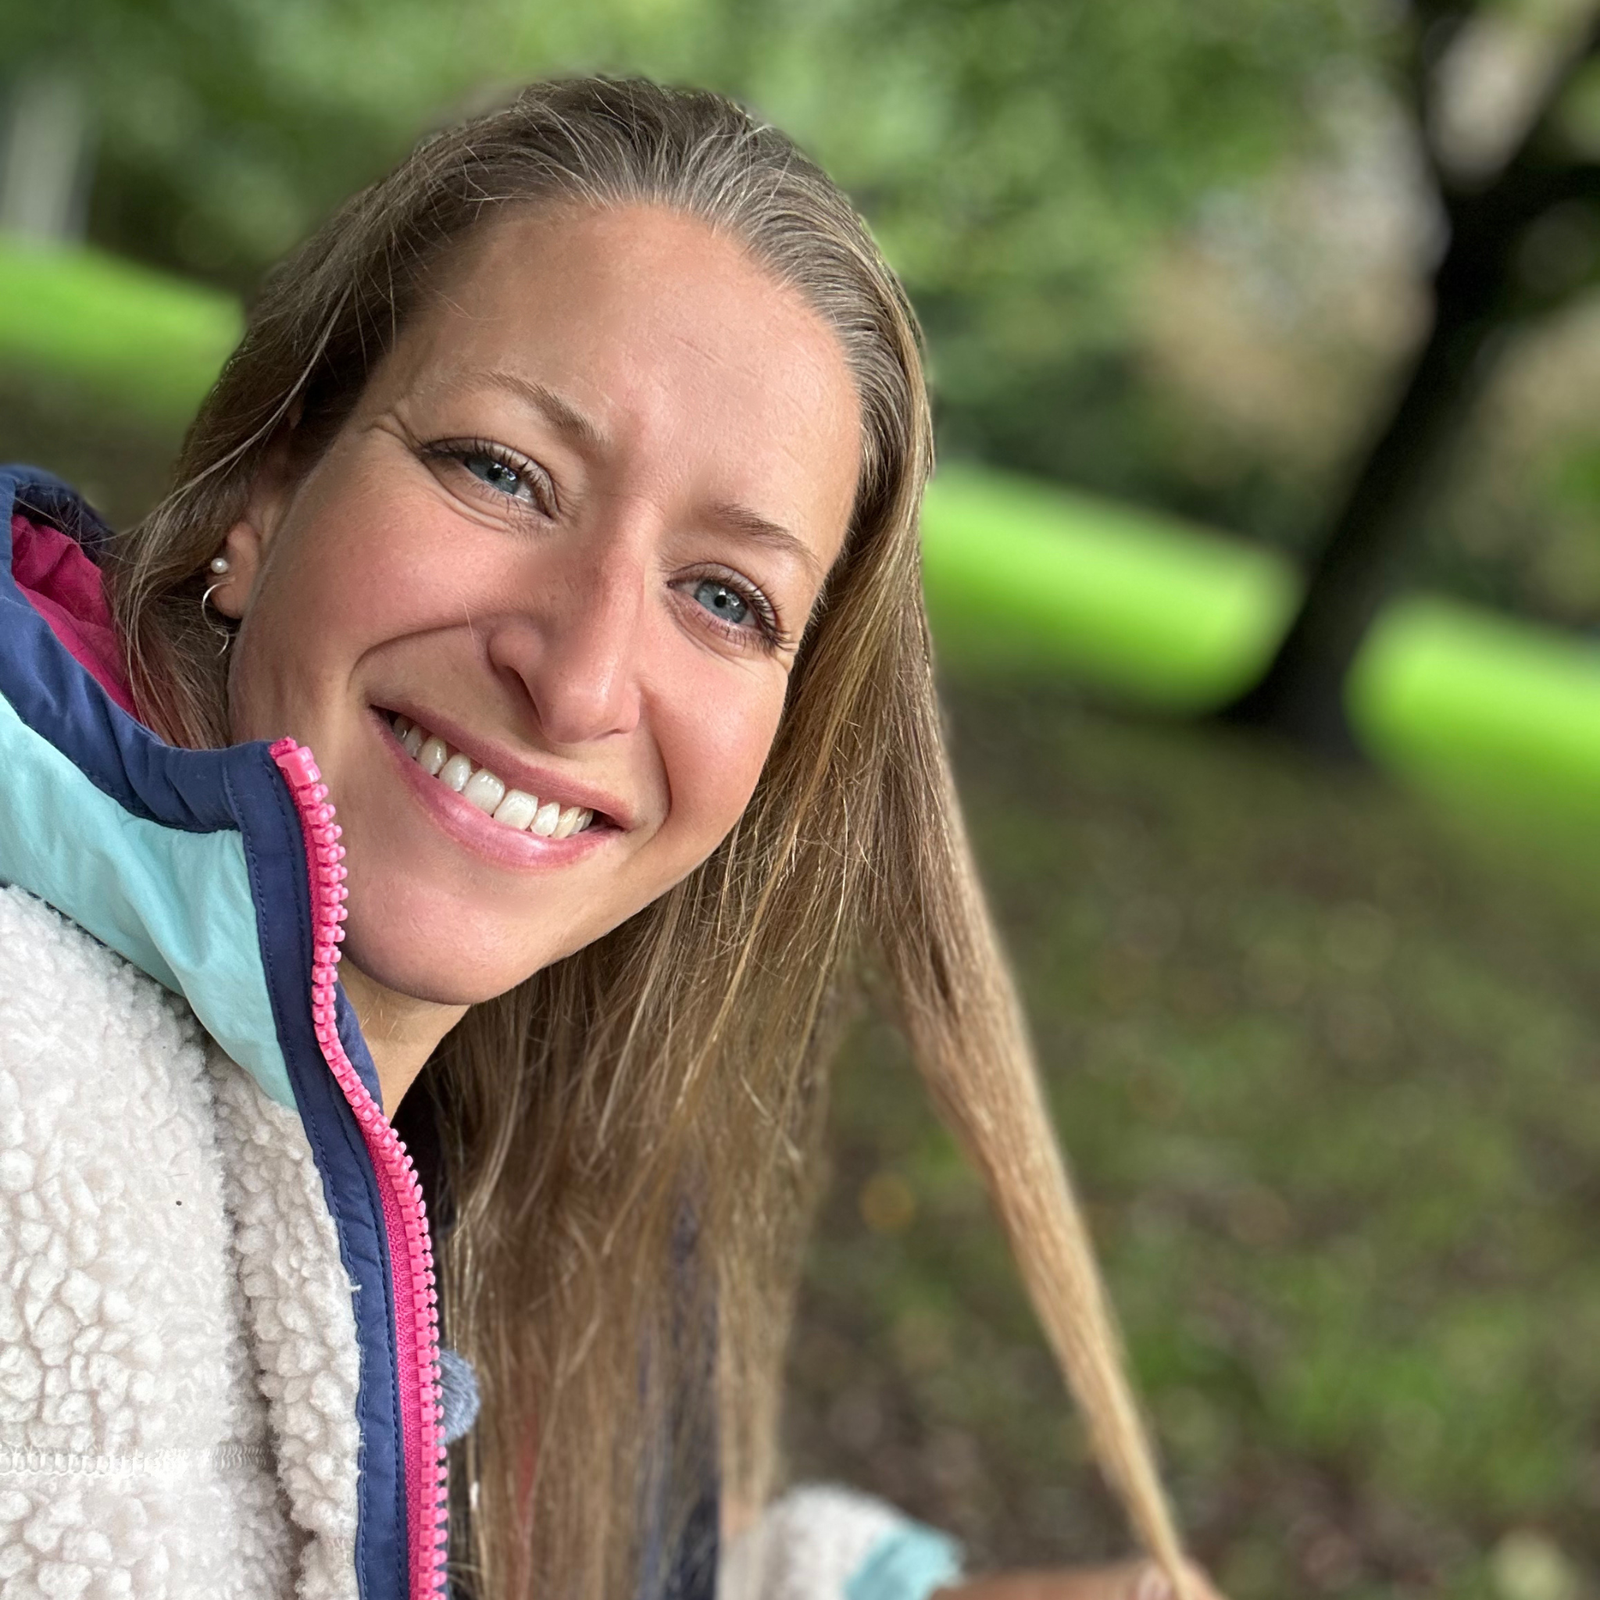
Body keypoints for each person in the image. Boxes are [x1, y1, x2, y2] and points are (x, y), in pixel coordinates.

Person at [0, 77, 1222, 1600]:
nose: (577, 678)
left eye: (724, 596)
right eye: (503, 473)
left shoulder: (505, 1144)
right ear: (268, 491)